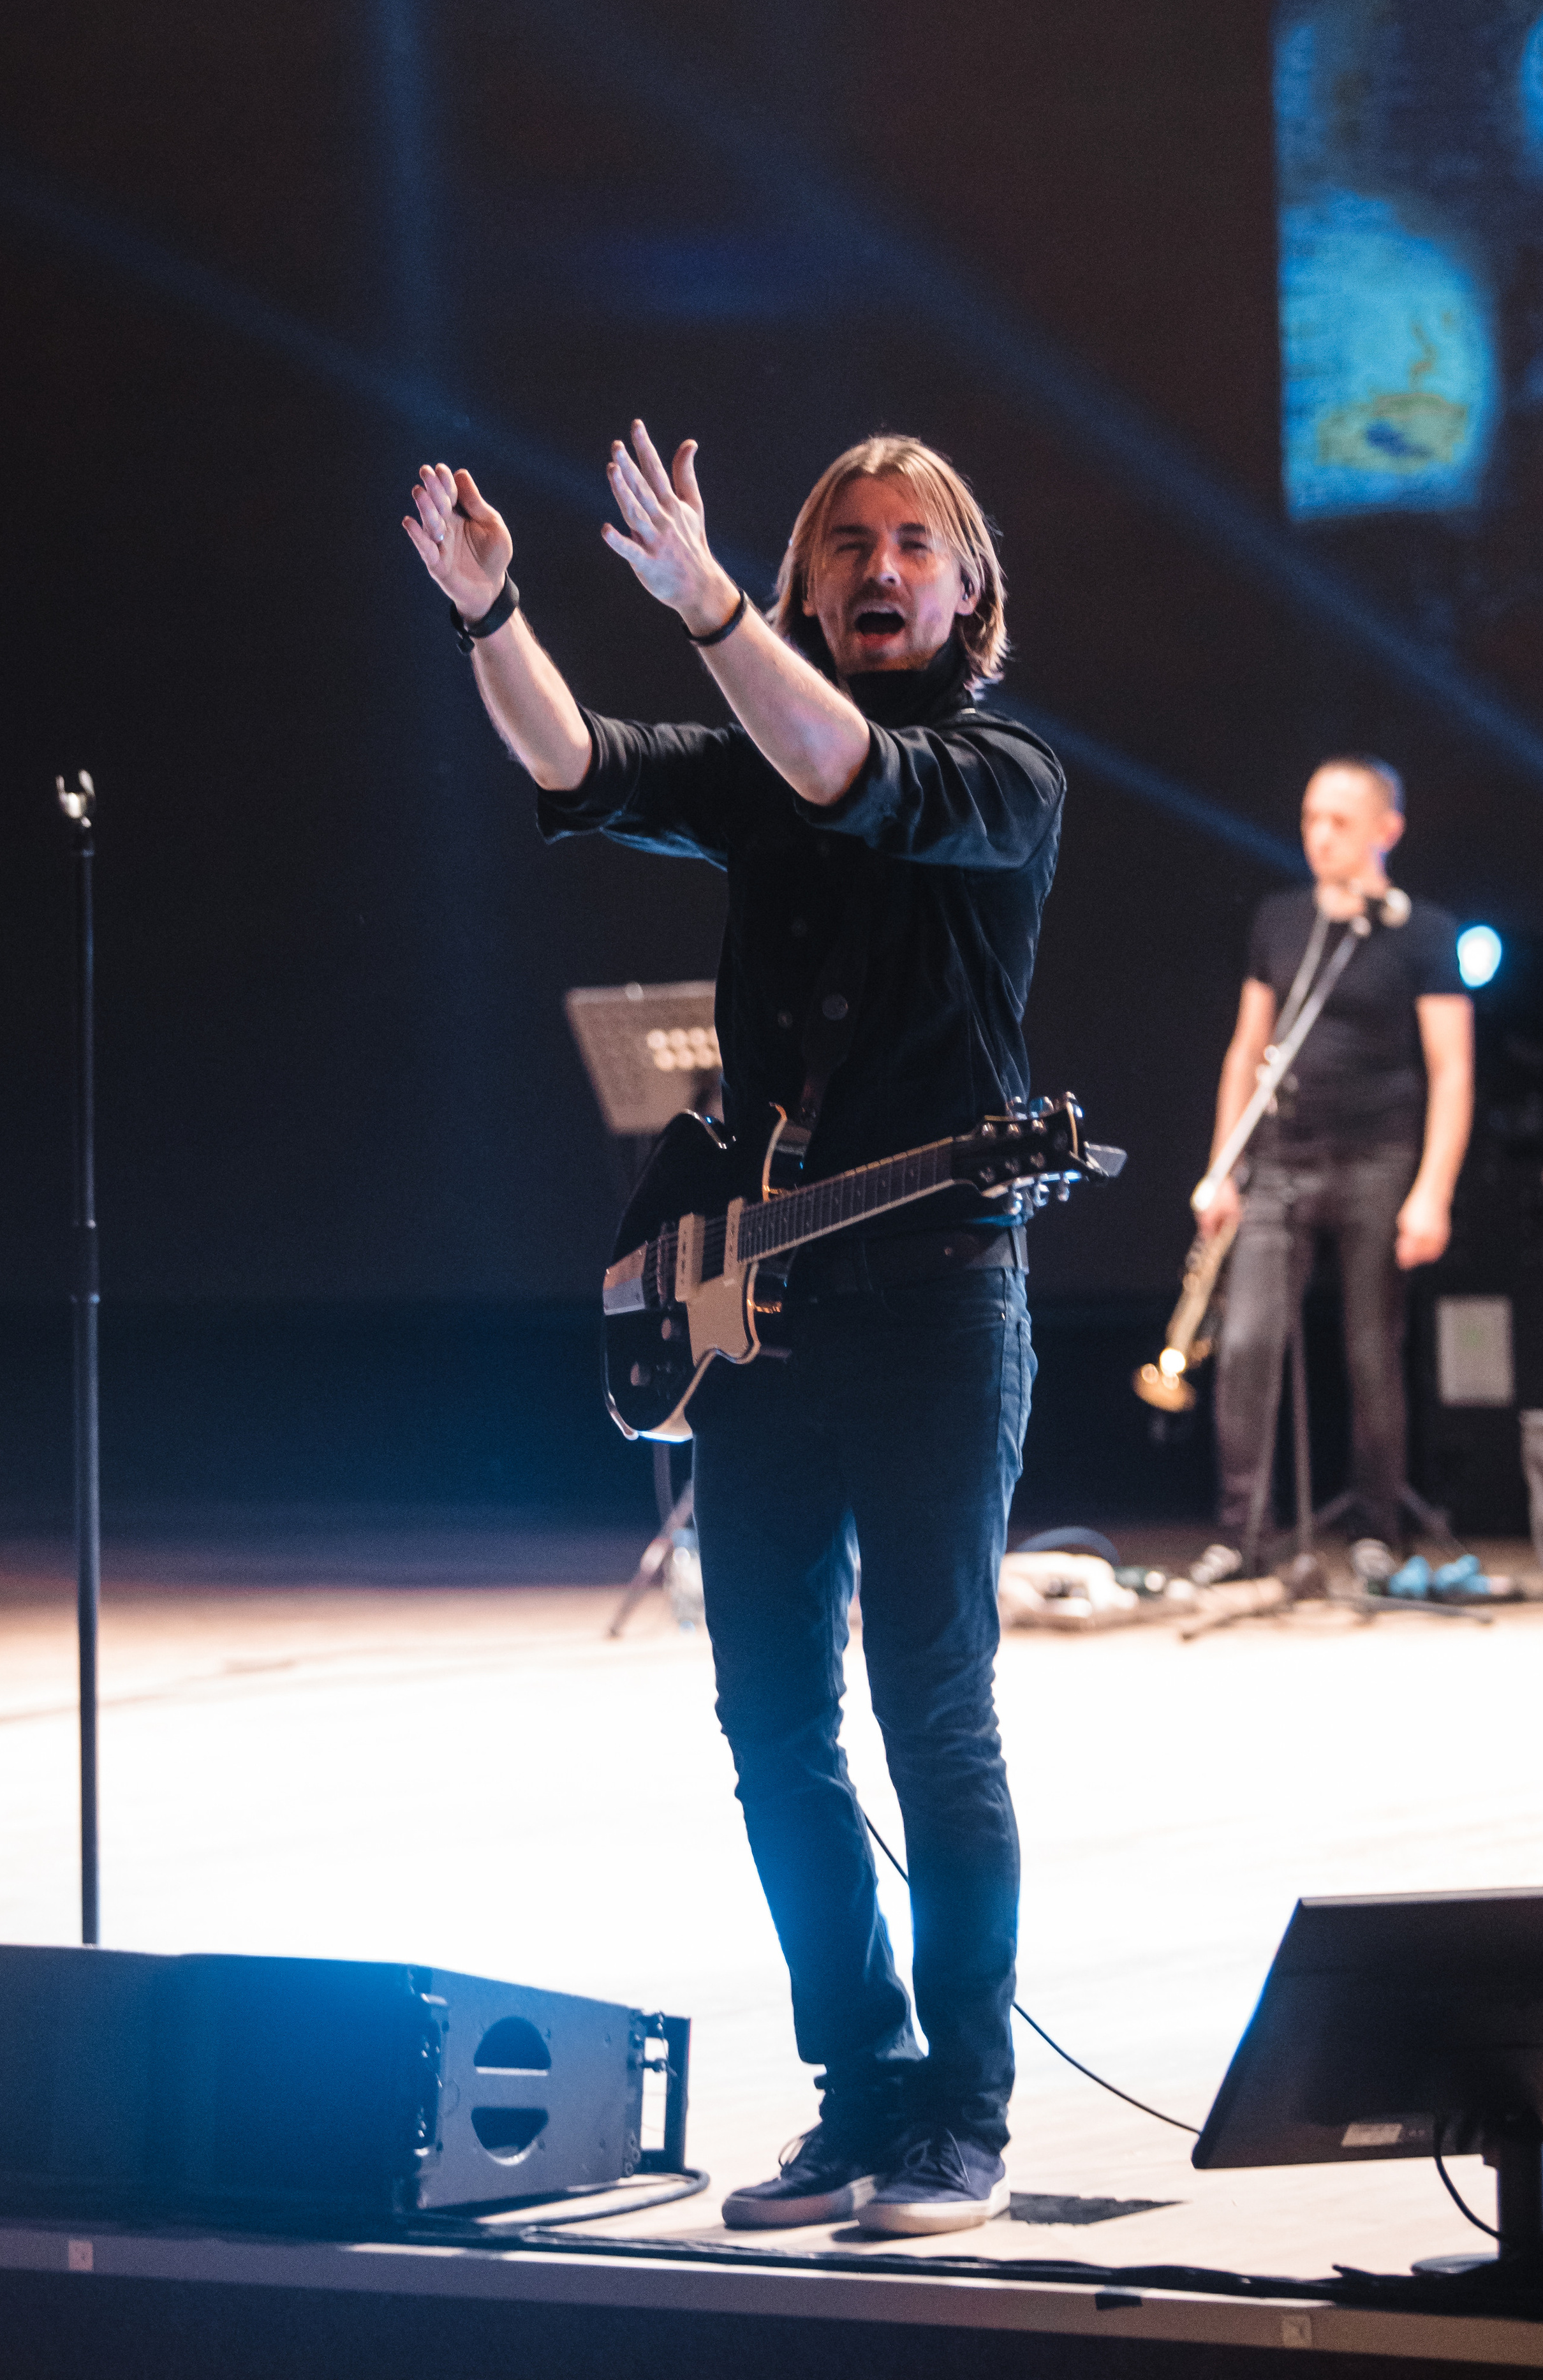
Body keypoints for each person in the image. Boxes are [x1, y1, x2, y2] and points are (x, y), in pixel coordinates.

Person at [402, 424, 1065, 2235]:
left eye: (909, 540)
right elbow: (578, 760)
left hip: (941, 1302)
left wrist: (700, 597)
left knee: (933, 1710)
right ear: (809, 577)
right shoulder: (765, 764)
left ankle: (966, 2118)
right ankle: (858, 2093)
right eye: (842, 538)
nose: (874, 564)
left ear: (964, 586)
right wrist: (494, 613)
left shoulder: (1004, 771)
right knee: (773, 1718)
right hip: (765, 1315)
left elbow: (852, 773)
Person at [1193, 758, 1472, 1584]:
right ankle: (1242, 1533)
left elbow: (1451, 1071)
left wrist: (1434, 1191)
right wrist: (1222, 1168)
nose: (1320, 836)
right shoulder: (1281, 921)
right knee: (1245, 1342)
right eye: (1312, 818)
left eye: (1340, 822)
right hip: (1281, 1157)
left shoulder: (1423, 933)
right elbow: (1248, 1050)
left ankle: (1376, 1526)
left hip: (1378, 1159)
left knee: (1369, 1349)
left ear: (1387, 830)